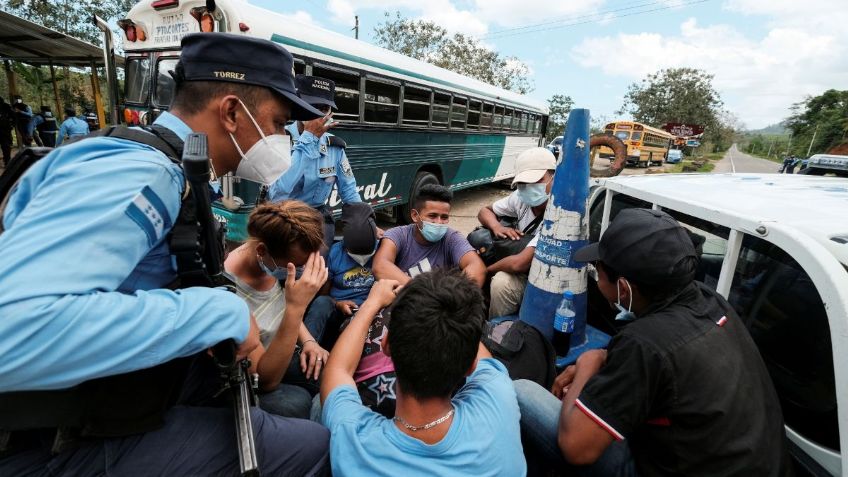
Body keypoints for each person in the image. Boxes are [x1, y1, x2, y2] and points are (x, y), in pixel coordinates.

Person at [0, 33, 330, 475]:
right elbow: (15, 328)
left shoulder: (179, 171)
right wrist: (217, 311)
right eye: (276, 123)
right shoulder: (143, 173)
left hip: (127, 395)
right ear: (232, 111)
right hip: (57, 437)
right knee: (314, 445)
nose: (282, 138)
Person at [514, 208, 790, 476]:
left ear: (623, 288)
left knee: (523, 392)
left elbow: (577, 448)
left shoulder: (644, 344)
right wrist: (605, 357)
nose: (596, 279)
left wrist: (588, 365)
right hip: (757, 461)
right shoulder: (710, 301)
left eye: (598, 271)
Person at [320, 269, 527, 476]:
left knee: (316, 407)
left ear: (386, 344)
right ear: (470, 366)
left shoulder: (352, 438)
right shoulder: (498, 398)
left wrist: (372, 303)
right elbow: (474, 350)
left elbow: (338, 370)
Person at [224, 200, 334, 419]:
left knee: (330, 374)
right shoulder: (230, 294)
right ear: (262, 251)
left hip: (286, 343)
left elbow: (280, 307)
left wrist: (310, 342)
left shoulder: (267, 259)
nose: (303, 271)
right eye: (296, 266)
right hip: (262, 371)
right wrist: (297, 306)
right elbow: (266, 381)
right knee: (299, 402)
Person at [268, 75, 362, 247]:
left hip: (319, 218)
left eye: (323, 108)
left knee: (319, 268)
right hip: (285, 219)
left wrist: (366, 222)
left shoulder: (335, 146)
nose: (317, 113)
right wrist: (308, 138)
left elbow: (349, 191)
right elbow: (278, 192)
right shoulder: (280, 138)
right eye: (311, 106)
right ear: (298, 105)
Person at [477, 147, 556, 318]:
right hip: (523, 265)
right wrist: (497, 227)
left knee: (501, 282)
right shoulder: (520, 198)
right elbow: (484, 211)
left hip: (542, 278)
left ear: (553, 177)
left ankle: (496, 329)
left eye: (537, 180)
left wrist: (486, 270)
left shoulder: (559, 213)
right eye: (523, 183)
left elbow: (519, 264)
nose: (529, 187)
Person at [373, 184, 486, 287]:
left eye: (444, 217)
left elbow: (477, 267)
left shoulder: (451, 238)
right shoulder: (398, 235)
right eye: (432, 216)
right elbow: (380, 266)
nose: (438, 222)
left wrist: (453, 296)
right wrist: (425, 293)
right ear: (415, 216)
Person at [0, 96, 12, 166]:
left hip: (5, 130)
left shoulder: (6, 107)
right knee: (6, 146)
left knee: (6, 146)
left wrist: (11, 125)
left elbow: (14, 118)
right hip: (6, 131)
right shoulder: (7, 106)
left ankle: (7, 161)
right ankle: (7, 161)